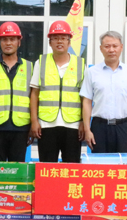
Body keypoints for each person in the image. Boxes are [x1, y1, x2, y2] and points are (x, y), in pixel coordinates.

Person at [30, 21, 85, 163]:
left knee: (71, 168)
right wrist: (34, 121)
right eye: (55, 38)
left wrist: (83, 122)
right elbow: (34, 94)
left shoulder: (80, 64)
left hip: (73, 125)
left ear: (69, 42)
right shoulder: (41, 62)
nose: (59, 41)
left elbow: (84, 98)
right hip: (46, 124)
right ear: (50, 42)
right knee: (47, 168)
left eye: (63, 38)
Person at [81, 31, 127, 154]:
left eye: (115, 46)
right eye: (107, 46)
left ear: (121, 47)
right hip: (99, 127)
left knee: (122, 163)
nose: (111, 50)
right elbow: (87, 102)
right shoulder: (92, 72)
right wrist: (87, 130)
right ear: (101, 48)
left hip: (124, 127)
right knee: (99, 164)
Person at [0, 22, 33, 162]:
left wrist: (32, 124)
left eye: (12, 39)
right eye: (4, 39)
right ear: (0, 42)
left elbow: (34, 98)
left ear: (19, 42)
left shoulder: (30, 67)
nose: (8, 43)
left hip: (21, 128)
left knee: (18, 170)